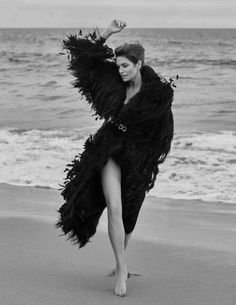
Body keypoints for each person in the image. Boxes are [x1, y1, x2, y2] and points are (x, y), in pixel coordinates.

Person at [56, 19, 175, 297]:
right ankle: (121, 268)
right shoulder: (115, 82)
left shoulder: (157, 95)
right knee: (114, 206)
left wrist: (145, 156)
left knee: (130, 212)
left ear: (139, 64)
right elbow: (86, 60)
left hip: (137, 156)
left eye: (125, 66)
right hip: (109, 147)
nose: (120, 71)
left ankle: (121, 259)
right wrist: (108, 32)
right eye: (118, 65)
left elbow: (159, 130)